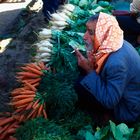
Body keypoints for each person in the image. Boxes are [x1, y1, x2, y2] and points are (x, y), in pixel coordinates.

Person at [74, 12, 140, 124]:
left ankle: (106, 118)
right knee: (83, 76)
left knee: (81, 85)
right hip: (124, 94)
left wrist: (90, 71)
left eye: (90, 33)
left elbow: (110, 100)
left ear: (103, 34)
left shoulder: (117, 63)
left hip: (127, 109)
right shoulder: (114, 42)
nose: (84, 36)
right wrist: (91, 65)